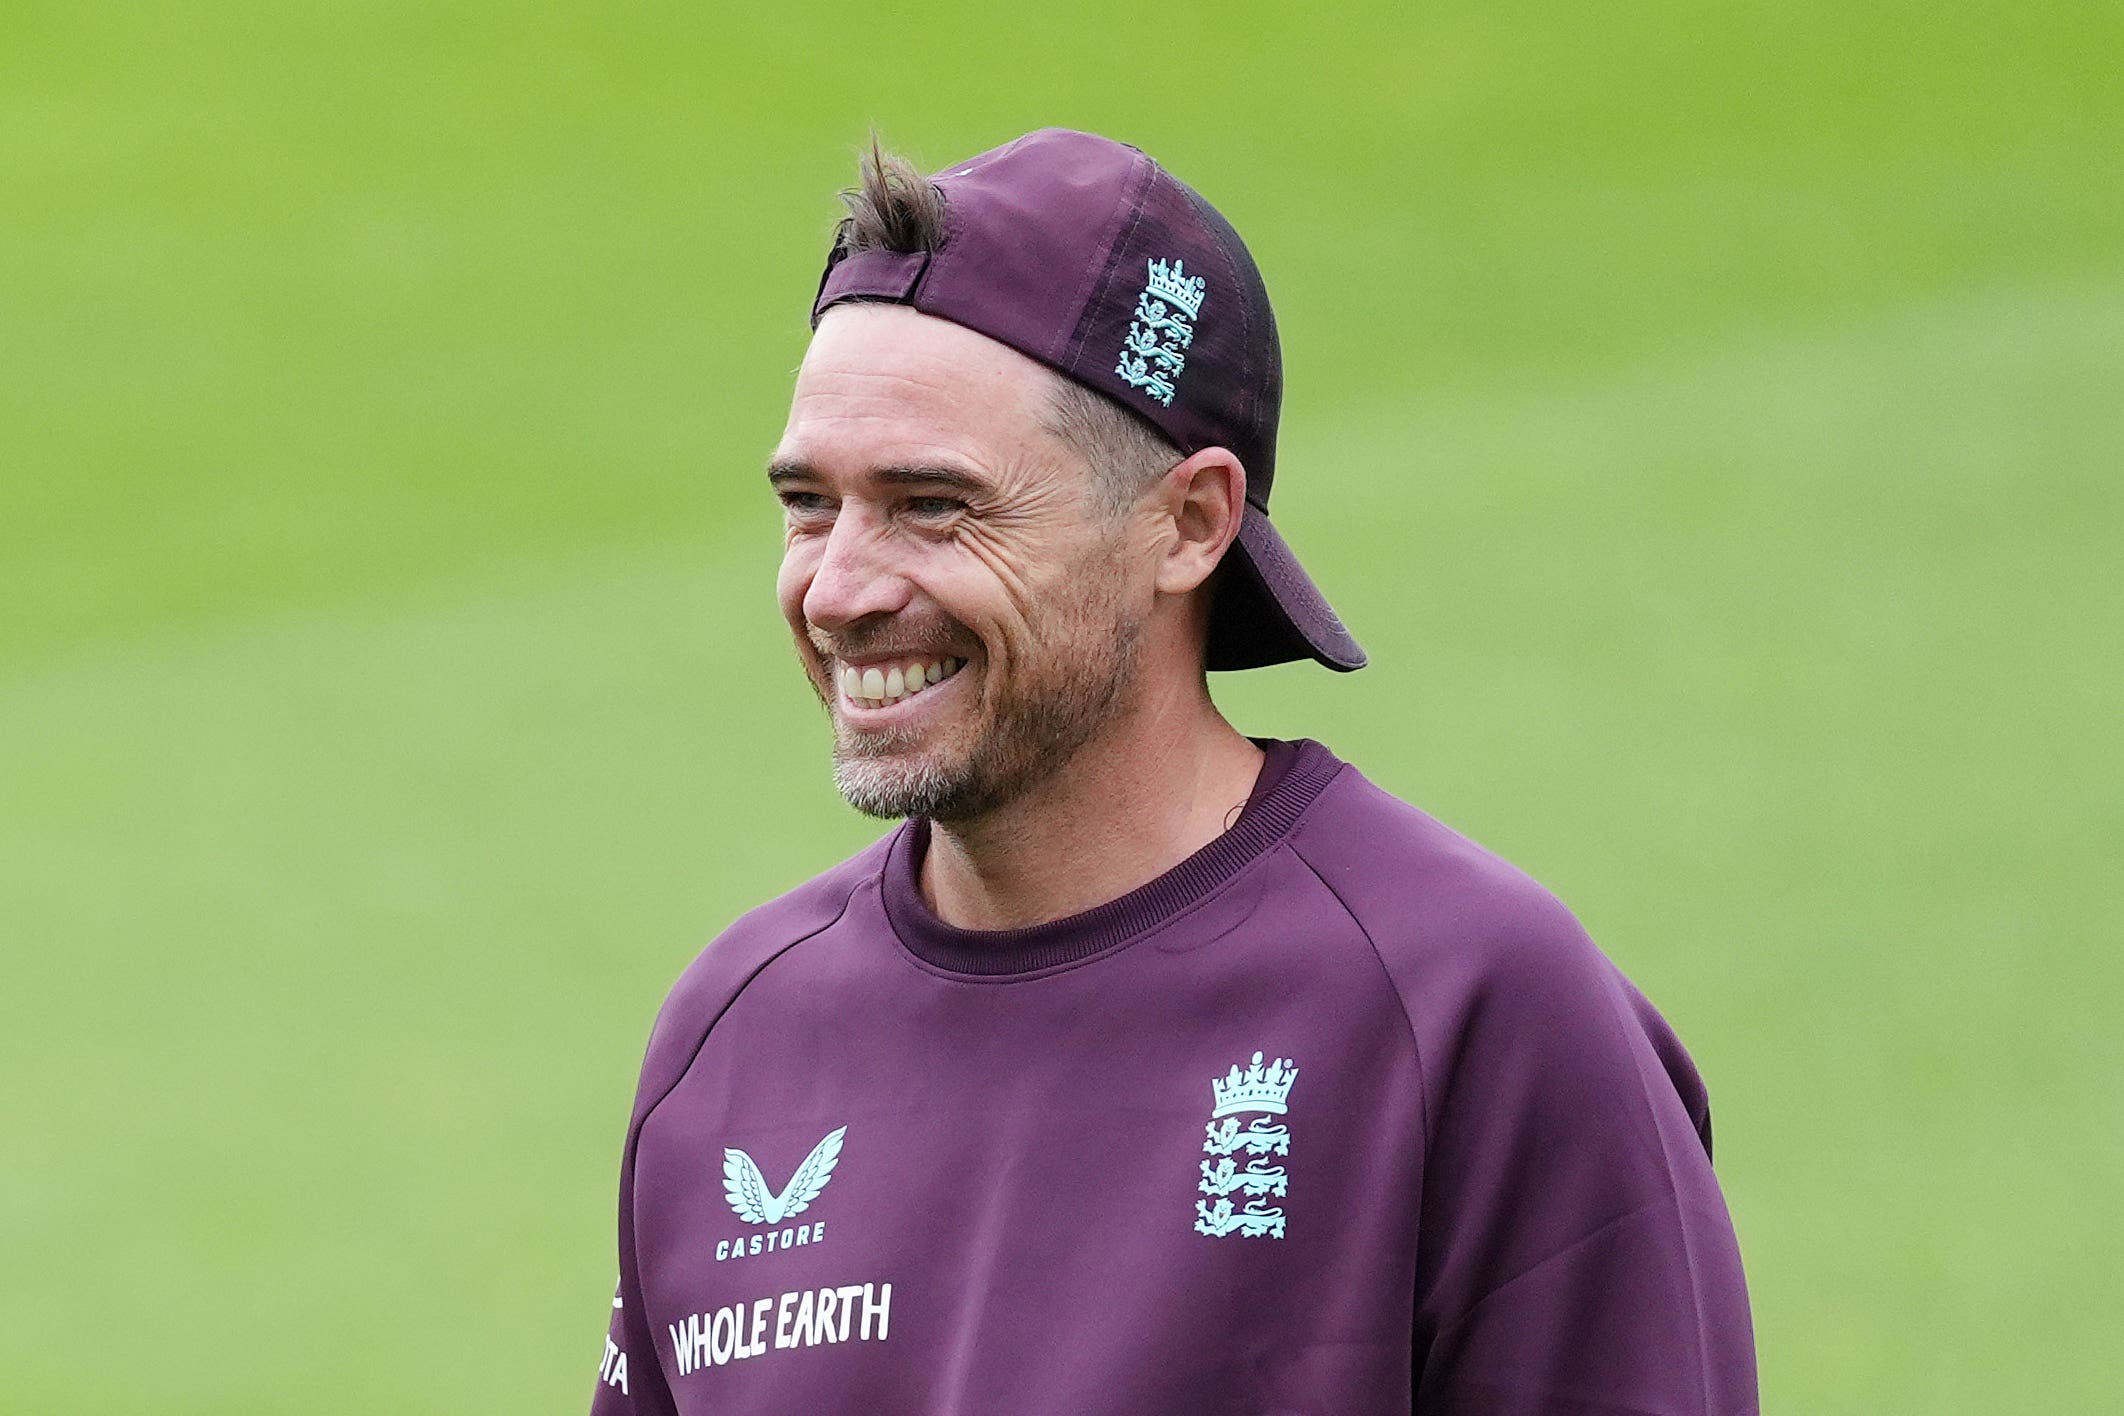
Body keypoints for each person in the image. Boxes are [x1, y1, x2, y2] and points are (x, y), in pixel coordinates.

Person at [588, 128, 1756, 1415]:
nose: (839, 591)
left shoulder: (1469, 1007)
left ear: (1190, 524)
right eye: (810, 505)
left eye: (933, 505)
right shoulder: (735, 1035)